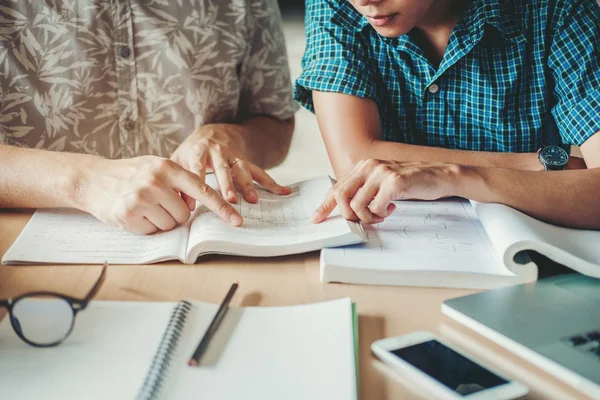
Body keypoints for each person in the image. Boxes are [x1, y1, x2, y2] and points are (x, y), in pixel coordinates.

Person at [295, 0, 600, 229]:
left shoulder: (558, 9)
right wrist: (535, 166)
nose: (366, 1)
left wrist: (455, 176)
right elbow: (354, 162)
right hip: (394, 246)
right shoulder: (334, 4)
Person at [0, 0, 298, 234]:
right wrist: (85, 183)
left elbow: (275, 122)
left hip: (200, 236)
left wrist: (230, 138)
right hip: (29, 243)